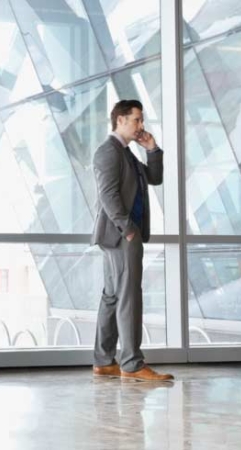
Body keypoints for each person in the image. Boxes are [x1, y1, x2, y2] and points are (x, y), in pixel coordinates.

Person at [90, 99, 173, 382]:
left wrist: (151, 148)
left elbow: (154, 177)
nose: (141, 125)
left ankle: (103, 360)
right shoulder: (109, 152)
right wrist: (128, 229)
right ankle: (132, 364)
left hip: (121, 235)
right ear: (121, 120)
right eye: (137, 119)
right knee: (128, 297)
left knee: (113, 297)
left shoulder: (126, 153)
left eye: (141, 120)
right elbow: (108, 196)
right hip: (121, 235)